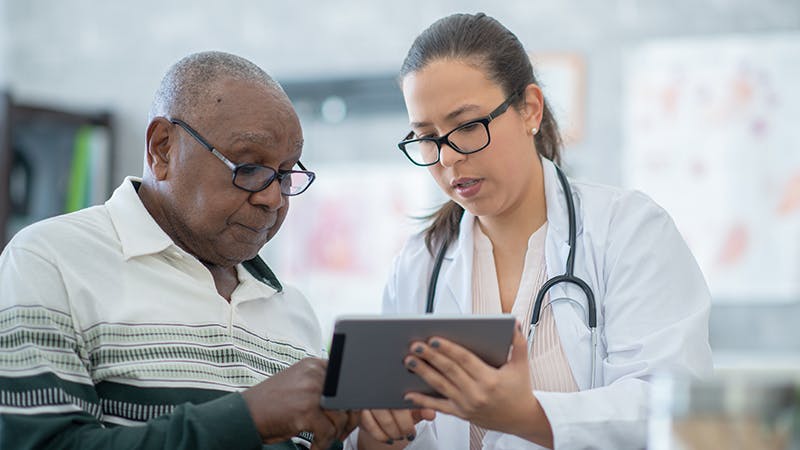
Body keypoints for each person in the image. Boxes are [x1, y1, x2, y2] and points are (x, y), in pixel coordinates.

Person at [351, 13, 713, 450]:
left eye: (468, 126)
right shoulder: (417, 267)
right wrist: (376, 433)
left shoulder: (629, 231)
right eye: (427, 137)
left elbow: (670, 407)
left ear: (530, 110)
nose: (447, 158)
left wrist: (526, 416)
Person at [0, 51, 357, 450]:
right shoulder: (50, 263)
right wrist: (246, 418)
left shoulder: (294, 311)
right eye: (248, 168)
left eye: (286, 174)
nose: (273, 198)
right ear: (163, 148)